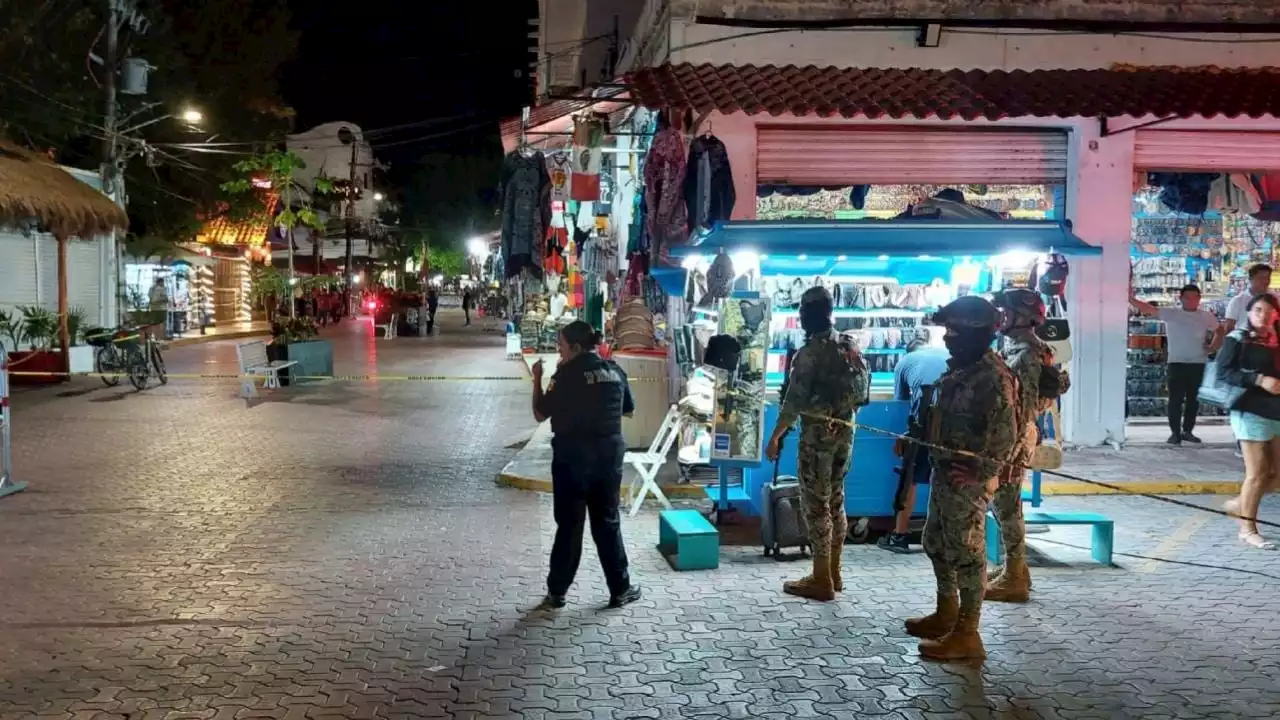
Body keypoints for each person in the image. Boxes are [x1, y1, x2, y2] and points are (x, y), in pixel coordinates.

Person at [904, 295, 1018, 662]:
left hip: (966, 480)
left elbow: (1007, 433)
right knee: (935, 541)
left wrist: (982, 471)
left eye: (954, 330)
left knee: (967, 552)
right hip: (945, 472)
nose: (948, 338)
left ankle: (968, 634)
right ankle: (947, 613)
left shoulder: (993, 376)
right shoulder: (961, 369)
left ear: (974, 332)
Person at [764, 286, 870, 601]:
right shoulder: (849, 345)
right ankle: (834, 572)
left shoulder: (809, 353)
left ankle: (821, 578)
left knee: (816, 505)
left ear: (810, 313)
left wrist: (775, 437)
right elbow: (862, 394)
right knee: (836, 501)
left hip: (816, 441)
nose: (800, 317)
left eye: (802, 312)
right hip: (845, 437)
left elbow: (793, 402)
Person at [530, 320, 643, 608]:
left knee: (569, 525)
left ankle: (557, 592)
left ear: (576, 347)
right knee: (607, 523)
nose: (560, 351)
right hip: (608, 459)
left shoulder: (566, 374)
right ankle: (620, 589)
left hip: (573, 459)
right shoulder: (615, 370)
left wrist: (538, 379)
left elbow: (540, 414)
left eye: (562, 346)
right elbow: (628, 410)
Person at [987, 288, 1054, 603]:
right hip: (1014, 432)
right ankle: (1014, 569)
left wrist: (1007, 446)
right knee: (1004, 504)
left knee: (1007, 504)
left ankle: (1014, 575)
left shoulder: (1027, 353)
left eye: (1006, 313)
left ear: (1022, 317)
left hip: (1014, 434)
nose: (1001, 318)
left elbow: (1023, 405)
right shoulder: (1020, 348)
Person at [1217, 293, 1280, 551]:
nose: (1263, 315)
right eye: (1258, 310)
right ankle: (1248, 529)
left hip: (1275, 411)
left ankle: (1238, 505)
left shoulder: (1275, 341)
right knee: (1256, 475)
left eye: (1269, 311)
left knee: (1276, 474)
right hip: (1248, 409)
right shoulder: (1238, 339)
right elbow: (1223, 372)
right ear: (1249, 312)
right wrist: (1258, 380)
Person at [881, 330, 950, 553]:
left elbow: (900, 401)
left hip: (925, 419)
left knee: (909, 475)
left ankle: (899, 536)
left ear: (908, 350)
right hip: (955, 418)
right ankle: (943, 536)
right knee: (947, 475)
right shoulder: (946, 353)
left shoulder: (904, 362)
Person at [1130, 284, 1223, 444]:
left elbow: (1220, 330)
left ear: (1199, 299)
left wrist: (1213, 346)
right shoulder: (1172, 313)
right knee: (1175, 399)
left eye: (1195, 297)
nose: (1191, 301)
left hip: (1197, 362)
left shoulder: (1206, 316)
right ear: (1181, 298)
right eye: (1188, 297)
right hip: (1176, 362)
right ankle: (1175, 432)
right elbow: (1148, 309)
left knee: (1193, 399)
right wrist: (1130, 298)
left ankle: (1188, 431)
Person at [1224, 264, 1276, 334]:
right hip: (1244, 342)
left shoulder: (1276, 299)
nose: (1265, 281)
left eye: (1267, 278)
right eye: (1261, 278)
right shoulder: (1238, 301)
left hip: (1271, 342)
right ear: (1251, 279)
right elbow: (1229, 326)